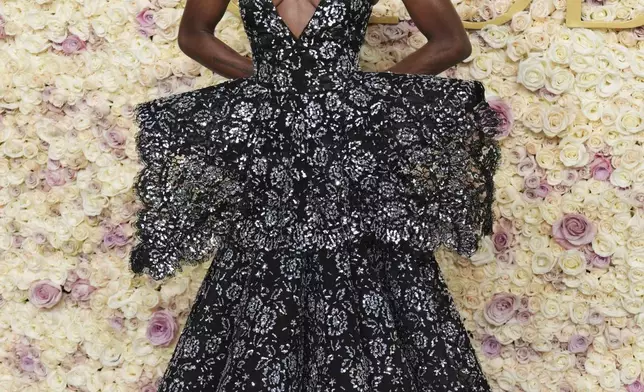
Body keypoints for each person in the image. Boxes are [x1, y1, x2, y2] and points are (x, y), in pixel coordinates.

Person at [129, 0, 503, 389]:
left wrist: (359, 99)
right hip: (275, 147)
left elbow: (451, 42)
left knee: (370, 260)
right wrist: (272, 83)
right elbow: (193, 34)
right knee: (262, 261)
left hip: (346, 149)